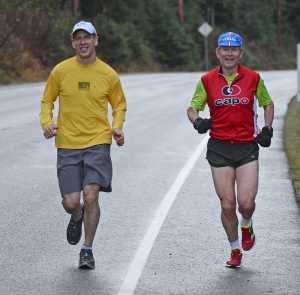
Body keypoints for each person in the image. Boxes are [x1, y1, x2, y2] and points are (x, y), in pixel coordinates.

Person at [39, 20, 127, 270]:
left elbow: (119, 104)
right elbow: (47, 100)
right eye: (77, 38)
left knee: (91, 195)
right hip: (67, 143)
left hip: (98, 142)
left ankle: (87, 250)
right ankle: (75, 217)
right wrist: (47, 123)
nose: (82, 42)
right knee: (71, 202)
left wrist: (117, 126)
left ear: (95, 40)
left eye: (86, 37)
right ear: (73, 43)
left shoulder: (108, 74)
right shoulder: (61, 71)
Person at [187, 32, 274, 268]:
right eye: (224, 49)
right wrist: (197, 121)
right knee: (227, 204)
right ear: (217, 53)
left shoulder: (253, 78)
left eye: (233, 49)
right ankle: (235, 249)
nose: (228, 53)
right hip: (220, 148)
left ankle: (246, 223)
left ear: (240, 53)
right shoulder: (206, 80)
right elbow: (192, 107)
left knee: (246, 203)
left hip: (246, 146)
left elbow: (268, 103)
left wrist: (267, 128)